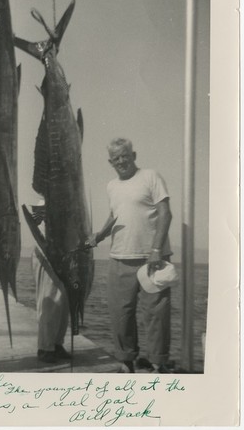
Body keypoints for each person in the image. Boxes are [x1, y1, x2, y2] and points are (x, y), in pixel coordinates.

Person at [86, 138, 173, 373]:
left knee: (155, 314)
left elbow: (165, 213)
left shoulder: (151, 176)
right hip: (119, 257)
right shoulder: (111, 186)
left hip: (152, 259)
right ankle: (126, 361)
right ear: (110, 162)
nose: (121, 161)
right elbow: (115, 215)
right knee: (120, 313)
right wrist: (99, 235)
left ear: (133, 155)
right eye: (116, 158)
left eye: (125, 156)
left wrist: (156, 250)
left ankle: (158, 363)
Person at [30, 201, 71, 364]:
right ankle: (45, 348)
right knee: (50, 300)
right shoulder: (43, 203)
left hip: (65, 254)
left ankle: (56, 343)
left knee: (64, 302)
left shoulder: (66, 199)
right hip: (48, 254)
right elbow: (39, 220)